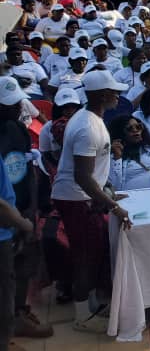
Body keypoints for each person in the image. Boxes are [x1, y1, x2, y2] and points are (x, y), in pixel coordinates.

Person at [51, 70, 132, 334]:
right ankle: (82, 315)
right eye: (114, 92)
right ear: (101, 94)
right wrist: (113, 206)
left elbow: (94, 172)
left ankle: (93, 305)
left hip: (86, 197)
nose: (118, 96)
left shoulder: (92, 118)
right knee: (85, 256)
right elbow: (83, 177)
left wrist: (107, 194)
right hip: (77, 199)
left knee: (94, 252)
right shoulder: (87, 127)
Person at [0, 77, 53, 343]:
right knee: (4, 276)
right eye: (7, 105)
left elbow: (25, 169)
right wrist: (15, 220)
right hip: (5, 216)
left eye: (17, 102)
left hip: (22, 206)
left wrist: (31, 209)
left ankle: (19, 313)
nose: (15, 107)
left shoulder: (18, 129)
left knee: (24, 266)